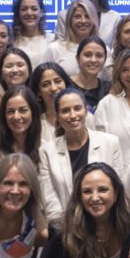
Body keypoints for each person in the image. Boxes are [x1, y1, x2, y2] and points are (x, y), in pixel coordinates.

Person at [37, 87, 121, 224]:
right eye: (65, 111)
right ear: (57, 116)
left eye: (77, 108)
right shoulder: (46, 151)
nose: (72, 115)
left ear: (86, 111)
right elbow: (50, 202)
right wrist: (74, 227)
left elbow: (117, 190)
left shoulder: (111, 143)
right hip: (66, 227)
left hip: (108, 222)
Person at [8, 0, 53, 68]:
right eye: (24, 9)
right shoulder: (10, 41)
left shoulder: (52, 40)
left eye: (34, 9)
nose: (29, 13)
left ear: (41, 12)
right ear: (18, 13)